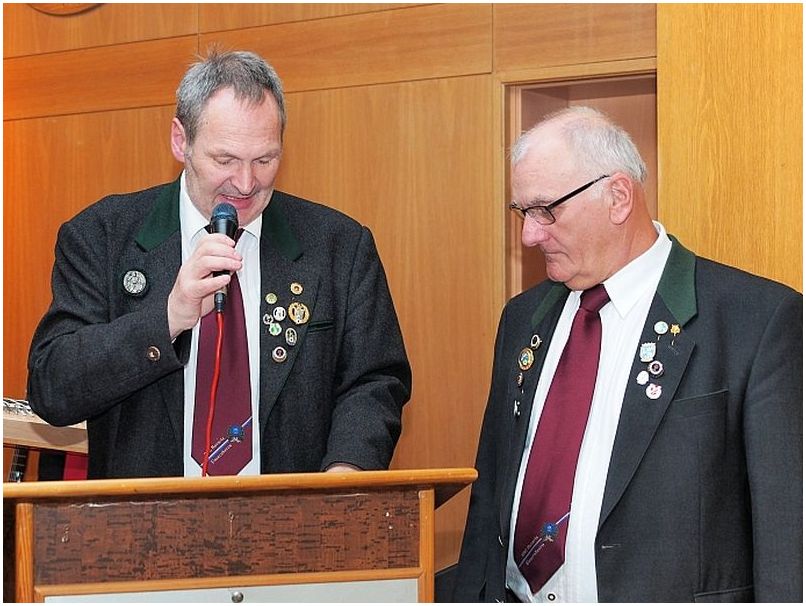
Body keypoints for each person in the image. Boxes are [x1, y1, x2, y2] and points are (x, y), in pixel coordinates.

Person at [453, 106, 802, 602]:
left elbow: (788, 539)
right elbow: (489, 498)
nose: (530, 234)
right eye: (522, 212)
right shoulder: (522, 319)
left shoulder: (756, 320)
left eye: (546, 210)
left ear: (618, 197)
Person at [27, 50, 411, 479]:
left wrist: (346, 471)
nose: (245, 184)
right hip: (147, 516)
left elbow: (375, 381)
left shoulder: (339, 245)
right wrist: (167, 318)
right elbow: (52, 387)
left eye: (264, 160)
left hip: (295, 514)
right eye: (225, 160)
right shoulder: (102, 236)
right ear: (181, 141)